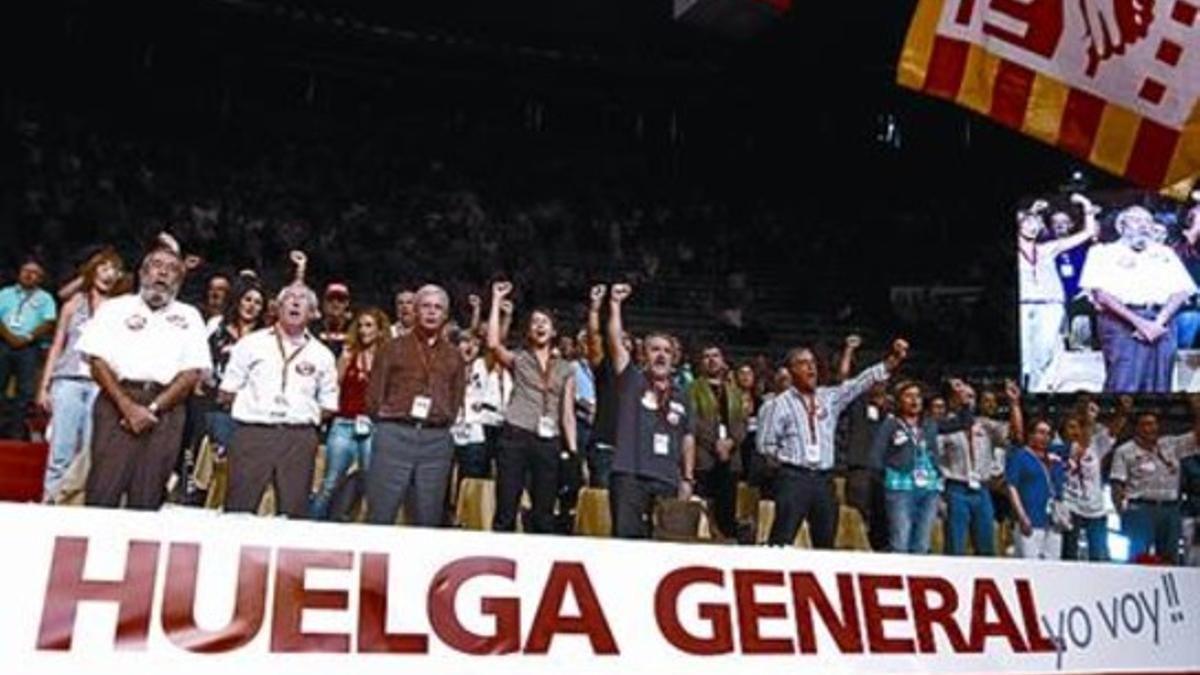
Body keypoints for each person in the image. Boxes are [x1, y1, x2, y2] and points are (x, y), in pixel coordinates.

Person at [76, 242, 212, 509]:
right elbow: (96, 360)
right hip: (116, 403)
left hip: (167, 409)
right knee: (103, 489)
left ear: (180, 280)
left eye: (172, 269)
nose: (162, 274)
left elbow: (191, 372)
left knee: (148, 497)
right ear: (142, 273)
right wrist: (127, 407)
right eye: (157, 266)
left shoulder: (190, 316)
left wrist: (151, 408)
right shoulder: (115, 308)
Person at [758, 336, 909, 548]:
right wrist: (786, 467)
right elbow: (766, 445)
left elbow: (860, 383)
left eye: (813, 363)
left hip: (823, 480)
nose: (811, 368)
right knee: (782, 540)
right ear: (791, 370)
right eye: (803, 363)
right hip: (794, 477)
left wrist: (892, 360)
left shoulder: (829, 398)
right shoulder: (778, 404)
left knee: (826, 541)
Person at [220, 282, 339, 518]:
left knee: (294, 510)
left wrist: (294, 414)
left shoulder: (322, 354)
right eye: (289, 298)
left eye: (302, 299)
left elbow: (328, 404)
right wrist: (261, 409)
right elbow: (227, 392)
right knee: (239, 508)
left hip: (298, 436)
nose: (295, 302)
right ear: (277, 307)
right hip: (253, 433)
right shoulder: (251, 344)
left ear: (313, 312)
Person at [365, 284, 465, 528]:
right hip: (395, 433)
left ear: (445, 315)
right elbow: (374, 394)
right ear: (415, 311)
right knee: (381, 512)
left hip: (436, 439)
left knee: (428, 517)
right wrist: (388, 420)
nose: (432, 312)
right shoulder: (392, 348)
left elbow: (456, 396)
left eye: (438, 308)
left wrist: (441, 419)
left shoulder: (454, 355)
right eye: (426, 306)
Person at [605, 283, 696, 539]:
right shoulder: (632, 379)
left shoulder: (683, 394)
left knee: (664, 545)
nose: (661, 356)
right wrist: (614, 305)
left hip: (667, 478)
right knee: (627, 541)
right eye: (655, 349)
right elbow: (614, 340)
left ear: (674, 358)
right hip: (629, 475)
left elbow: (688, 438)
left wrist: (687, 479)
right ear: (643, 355)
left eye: (667, 351)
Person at [486, 281, 577, 534]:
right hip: (516, 434)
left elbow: (567, 413)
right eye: (534, 322)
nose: (539, 325)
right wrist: (495, 300)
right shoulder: (519, 358)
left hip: (548, 441)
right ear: (528, 330)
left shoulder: (566, 368)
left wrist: (573, 451)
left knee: (544, 510)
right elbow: (493, 344)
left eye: (544, 322)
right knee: (506, 505)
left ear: (554, 331)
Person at [36, 248, 126, 502]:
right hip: (68, 380)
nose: (108, 274)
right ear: (93, 270)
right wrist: (44, 386)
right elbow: (57, 345)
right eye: (103, 268)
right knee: (61, 449)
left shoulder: (119, 310)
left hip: (101, 384)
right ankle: (50, 501)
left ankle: (79, 504)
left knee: (92, 449)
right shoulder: (73, 303)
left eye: (113, 270)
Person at [1079, 205, 1197, 392]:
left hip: (1162, 324)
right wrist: (1141, 324)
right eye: (1137, 220)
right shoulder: (1102, 252)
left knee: (1160, 386)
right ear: (1121, 226)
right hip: (1122, 324)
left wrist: (1158, 323)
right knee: (1124, 385)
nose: (1143, 226)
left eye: (1148, 222)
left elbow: (1182, 291)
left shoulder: (1165, 253)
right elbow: (1101, 295)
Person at [873, 379, 974, 554]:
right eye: (909, 396)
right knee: (900, 542)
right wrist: (887, 480)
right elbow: (876, 457)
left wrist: (965, 403)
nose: (914, 400)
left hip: (929, 489)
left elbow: (963, 423)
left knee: (922, 544)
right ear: (899, 401)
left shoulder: (929, 423)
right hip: (900, 489)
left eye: (918, 396)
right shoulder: (891, 424)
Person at [309, 307, 390, 519]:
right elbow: (334, 385)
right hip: (344, 423)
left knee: (370, 480)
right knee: (330, 482)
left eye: (369, 325)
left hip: (372, 425)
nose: (364, 330)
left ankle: (349, 520)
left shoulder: (387, 359)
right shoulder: (349, 354)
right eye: (361, 325)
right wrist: (343, 361)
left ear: (381, 331)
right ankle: (311, 524)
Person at [1018, 195, 1099, 391]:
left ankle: (1036, 390)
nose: (1033, 226)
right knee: (1024, 354)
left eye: (1036, 223)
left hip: (1050, 305)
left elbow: (1088, 232)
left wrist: (1086, 206)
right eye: (1028, 222)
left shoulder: (1048, 248)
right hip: (1023, 304)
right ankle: (1023, 389)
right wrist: (1032, 210)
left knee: (1044, 353)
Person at [936, 379, 1023, 556]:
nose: (969, 400)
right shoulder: (943, 426)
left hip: (982, 489)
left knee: (986, 546)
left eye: (972, 397)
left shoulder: (984, 424)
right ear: (952, 398)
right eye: (964, 395)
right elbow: (934, 458)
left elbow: (1016, 436)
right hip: (956, 487)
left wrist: (1014, 404)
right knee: (955, 544)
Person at [1109, 405, 1199, 564]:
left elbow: (1197, 437)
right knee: (1139, 556)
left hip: (1170, 508)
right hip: (1140, 508)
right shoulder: (1125, 451)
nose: (1150, 428)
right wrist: (1121, 512)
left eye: (1153, 424)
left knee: (1169, 557)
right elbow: (1117, 483)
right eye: (1145, 424)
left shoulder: (1171, 444)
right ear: (1136, 428)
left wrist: (1197, 410)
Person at [688, 342, 746, 540]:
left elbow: (742, 423)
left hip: (731, 460)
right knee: (705, 506)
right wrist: (715, 443)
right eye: (707, 356)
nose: (712, 360)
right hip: (705, 457)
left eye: (715, 356)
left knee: (727, 510)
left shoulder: (735, 391)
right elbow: (693, 421)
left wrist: (731, 442)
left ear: (723, 361)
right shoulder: (692, 389)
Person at [0, 258, 58, 438]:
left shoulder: (45, 298)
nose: (29, 275)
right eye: (26, 270)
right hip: (3, 343)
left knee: (25, 391)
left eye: (34, 273)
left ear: (40, 278)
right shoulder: (5, 293)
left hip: (29, 347)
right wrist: (9, 336)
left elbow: (49, 321)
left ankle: (16, 431)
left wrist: (27, 337)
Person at [1006, 417, 1069, 560]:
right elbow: (1012, 487)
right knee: (1030, 563)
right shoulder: (1020, 456)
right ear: (1031, 434)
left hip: (1053, 522)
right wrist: (1022, 516)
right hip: (1030, 519)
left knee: (1053, 565)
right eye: (1041, 432)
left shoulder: (1054, 458)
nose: (1045, 437)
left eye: (1048, 434)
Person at [1059, 406, 1114, 561]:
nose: (1075, 431)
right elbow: (1080, 448)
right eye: (1071, 427)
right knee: (1069, 555)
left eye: (1078, 427)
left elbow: (1114, 432)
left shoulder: (1095, 446)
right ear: (1062, 432)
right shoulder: (1057, 449)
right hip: (1071, 506)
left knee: (1100, 556)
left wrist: (1123, 411)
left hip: (1096, 509)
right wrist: (1089, 422)